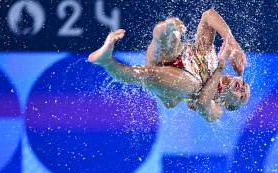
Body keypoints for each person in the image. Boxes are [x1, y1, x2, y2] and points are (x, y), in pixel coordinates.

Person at [87, 9, 250, 121]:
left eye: (242, 97)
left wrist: (221, 65)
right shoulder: (211, 56)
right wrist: (234, 45)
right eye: (245, 86)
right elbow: (208, 15)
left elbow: (202, 103)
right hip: (176, 57)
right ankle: (168, 30)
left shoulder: (216, 110)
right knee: (171, 43)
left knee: (149, 75)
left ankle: (107, 61)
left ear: (227, 104)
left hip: (180, 83)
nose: (242, 89)